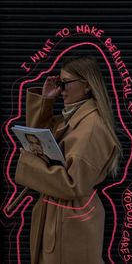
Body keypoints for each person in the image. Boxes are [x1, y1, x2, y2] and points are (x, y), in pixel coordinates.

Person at [14, 55, 122, 264]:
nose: (61, 90)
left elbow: (72, 185)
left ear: (87, 85)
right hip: (60, 216)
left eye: (65, 83)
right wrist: (46, 101)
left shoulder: (91, 128)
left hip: (70, 223)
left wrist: (29, 163)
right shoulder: (72, 117)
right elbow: (39, 139)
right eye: (59, 83)